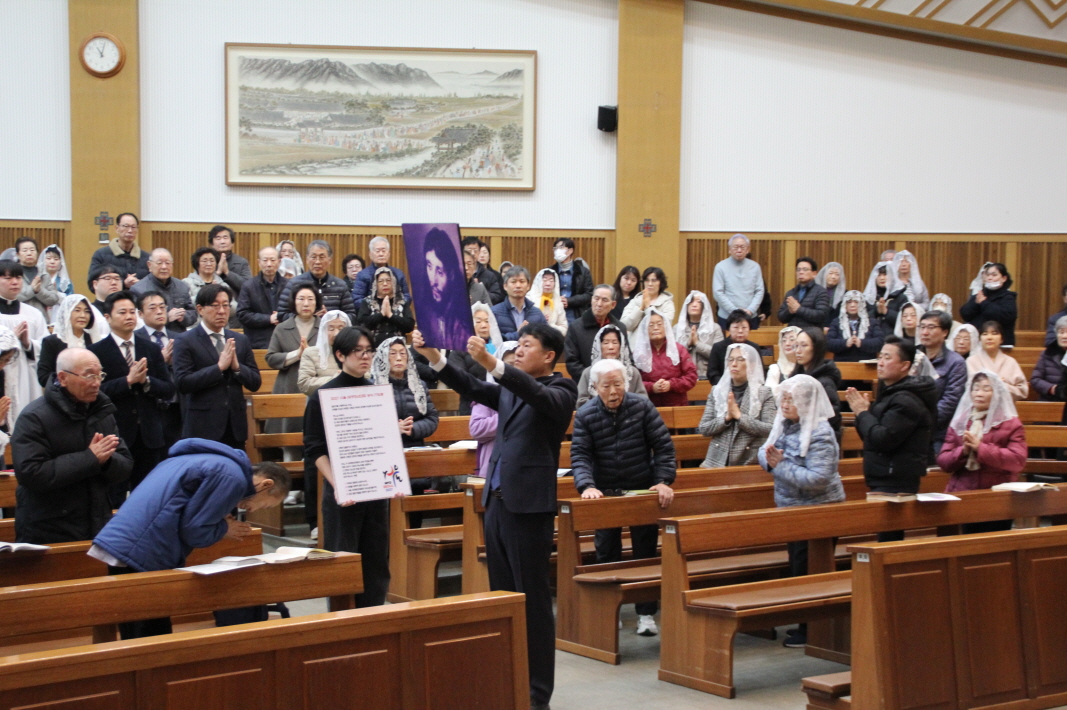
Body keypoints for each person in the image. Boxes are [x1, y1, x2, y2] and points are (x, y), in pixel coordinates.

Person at [413, 322, 577, 710]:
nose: (518, 350)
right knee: (503, 597)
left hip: (529, 508)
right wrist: (435, 357)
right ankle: (509, 680)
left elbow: (535, 393)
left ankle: (537, 694)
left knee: (532, 601)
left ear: (548, 356)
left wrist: (492, 362)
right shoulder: (511, 389)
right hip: (498, 502)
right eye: (517, 345)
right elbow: (473, 387)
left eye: (527, 345)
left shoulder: (561, 390)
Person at [90, 445, 290, 639]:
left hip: (125, 543)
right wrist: (224, 529)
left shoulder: (205, 461)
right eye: (264, 505)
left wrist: (217, 519)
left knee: (138, 629)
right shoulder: (231, 477)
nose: (253, 510)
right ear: (266, 484)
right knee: (149, 635)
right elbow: (194, 531)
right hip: (142, 550)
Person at [572, 358, 677, 637]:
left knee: (645, 552)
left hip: (641, 490)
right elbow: (580, 455)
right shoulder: (585, 414)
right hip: (605, 493)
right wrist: (587, 486)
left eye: (618, 384)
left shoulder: (642, 407)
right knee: (607, 552)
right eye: (606, 386)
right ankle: (610, 610)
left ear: (626, 383)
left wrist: (663, 481)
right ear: (595, 388)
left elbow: (664, 448)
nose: (613, 391)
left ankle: (646, 614)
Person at [303, 326, 391, 608]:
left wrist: (393, 479)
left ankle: (372, 620)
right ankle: (341, 625)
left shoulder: (376, 392)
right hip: (342, 491)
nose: (365, 356)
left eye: (369, 351)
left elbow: (383, 443)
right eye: (358, 351)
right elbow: (315, 449)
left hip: (375, 492)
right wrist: (338, 484)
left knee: (376, 566)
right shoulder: (322, 395)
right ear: (340, 355)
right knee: (341, 564)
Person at [12, 349, 133, 543]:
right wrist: (90, 458)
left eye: (100, 375)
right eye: (89, 376)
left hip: (97, 524)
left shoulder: (102, 412)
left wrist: (106, 461)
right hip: (49, 528)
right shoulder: (34, 417)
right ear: (63, 378)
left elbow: (125, 466)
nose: (96, 383)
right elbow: (31, 473)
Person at [759, 373, 844, 648]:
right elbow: (764, 451)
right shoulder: (786, 424)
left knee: (810, 570)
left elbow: (818, 478)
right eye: (783, 398)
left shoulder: (820, 433)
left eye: (791, 399)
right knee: (797, 567)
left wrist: (781, 465)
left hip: (818, 512)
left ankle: (812, 631)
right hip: (792, 510)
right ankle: (805, 624)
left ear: (806, 403)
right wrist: (772, 461)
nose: (784, 404)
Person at [845, 336, 938, 540]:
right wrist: (864, 414)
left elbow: (882, 439)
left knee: (889, 540)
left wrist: (863, 413)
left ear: (905, 365)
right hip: (884, 474)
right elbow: (870, 436)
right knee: (886, 537)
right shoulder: (890, 393)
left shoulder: (906, 400)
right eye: (880, 357)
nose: (880, 362)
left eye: (887, 358)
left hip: (895, 478)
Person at [90, 291, 176, 500]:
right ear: (107, 317)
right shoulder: (96, 351)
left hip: (149, 433)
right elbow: (95, 392)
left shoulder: (151, 348)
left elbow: (168, 388)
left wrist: (146, 381)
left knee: (147, 495)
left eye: (132, 312)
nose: (129, 316)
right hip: (115, 433)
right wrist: (127, 381)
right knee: (115, 494)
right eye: (122, 312)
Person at [172, 284, 261, 448]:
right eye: (215, 306)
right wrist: (218, 368)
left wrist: (237, 367)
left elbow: (255, 383)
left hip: (235, 426)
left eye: (225, 305)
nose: (221, 311)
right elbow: (183, 383)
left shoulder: (240, 340)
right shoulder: (185, 340)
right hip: (202, 427)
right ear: (200, 309)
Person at [938, 371, 1026, 519]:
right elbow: (943, 461)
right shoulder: (960, 422)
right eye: (976, 388)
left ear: (997, 393)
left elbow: (1018, 460)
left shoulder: (1011, 423)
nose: (979, 394)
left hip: (998, 496)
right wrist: (963, 452)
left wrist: (981, 448)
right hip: (962, 493)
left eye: (986, 389)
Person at [372, 336, 441, 498]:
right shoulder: (372, 386)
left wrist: (413, 428)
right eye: (392, 353)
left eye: (403, 353)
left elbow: (432, 418)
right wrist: (392, 429)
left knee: (416, 497)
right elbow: (367, 425)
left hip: (414, 449)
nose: (398, 358)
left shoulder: (419, 386)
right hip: (383, 453)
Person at [265, 284, 320, 460]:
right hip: (288, 386)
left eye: (310, 299)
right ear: (294, 302)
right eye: (301, 299)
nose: (306, 303)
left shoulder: (325, 327)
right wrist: (297, 354)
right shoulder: (282, 328)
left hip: (316, 387)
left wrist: (311, 355)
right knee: (290, 440)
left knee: (317, 440)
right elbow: (271, 358)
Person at [699, 343, 775, 467]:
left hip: (749, 461)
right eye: (731, 359)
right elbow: (704, 428)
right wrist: (726, 418)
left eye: (740, 359)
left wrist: (740, 417)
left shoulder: (764, 393)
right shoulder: (717, 391)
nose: (734, 364)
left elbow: (770, 429)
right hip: (717, 462)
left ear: (752, 364)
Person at [0, 259, 47, 420]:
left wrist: (28, 344)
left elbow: (45, 347)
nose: (15, 282)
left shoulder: (33, 314)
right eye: (8, 278)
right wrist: (8, 340)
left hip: (26, 375)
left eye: (18, 277)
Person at [135, 291, 183, 449]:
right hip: (149, 407)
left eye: (162, 307)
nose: (159, 311)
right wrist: (159, 361)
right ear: (140, 314)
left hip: (177, 406)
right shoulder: (135, 339)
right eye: (152, 308)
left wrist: (173, 363)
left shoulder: (180, 338)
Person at [917, 310, 968, 455]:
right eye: (922, 327)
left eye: (931, 327)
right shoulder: (912, 356)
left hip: (938, 433)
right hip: (910, 428)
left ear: (945, 332)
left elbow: (950, 401)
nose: (925, 332)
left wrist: (922, 421)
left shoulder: (956, 362)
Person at [468, 342, 519, 478]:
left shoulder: (531, 393)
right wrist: (511, 416)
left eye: (517, 364)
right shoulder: (487, 392)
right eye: (509, 365)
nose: (513, 370)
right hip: (495, 461)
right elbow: (476, 428)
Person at [415, 228, 470, 349]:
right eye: (429, 266)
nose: (433, 281)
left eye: (440, 272)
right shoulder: (425, 311)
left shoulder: (462, 326)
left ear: (451, 275)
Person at [38, 294, 109, 387]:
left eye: (87, 311)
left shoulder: (94, 340)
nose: (83, 315)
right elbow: (43, 376)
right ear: (66, 313)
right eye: (77, 310)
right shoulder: (51, 342)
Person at [631, 309, 697, 407]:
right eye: (651, 325)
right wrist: (652, 387)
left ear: (666, 327)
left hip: (677, 406)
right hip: (649, 407)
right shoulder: (638, 353)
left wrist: (671, 384)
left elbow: (691, 376)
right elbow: (633, 382)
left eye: (659, 324)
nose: (655, 328)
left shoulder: (679, 350)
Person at [448, 303, 504, 415]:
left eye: (487, 321)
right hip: (472, 406)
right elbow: (458, 381)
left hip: (500, 404)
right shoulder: (459, 350)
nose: (484, 325)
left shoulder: (502, 348)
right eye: (478, 322)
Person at [277, 240, 357, 320]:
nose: (317, 262)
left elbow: (351, 316)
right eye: (313, 257)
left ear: (330, 260)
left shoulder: (340, 285)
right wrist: (306, 317)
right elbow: (281, 314)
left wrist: (330, 318)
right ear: (307, 260)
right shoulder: (294, 284)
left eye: (322, 257)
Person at [575, 323, 647, 408]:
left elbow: (643, 400)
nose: (611, 347)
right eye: (606, 343)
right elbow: (580, 402)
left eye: (615, 342)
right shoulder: (588, 373)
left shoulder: (632, 372)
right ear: (599, 346)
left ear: (621, 346)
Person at [564, 284, 624, 381]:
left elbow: (626, 358)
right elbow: (572, 363)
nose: (599, 304)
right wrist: (595, 378)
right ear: (591, 300)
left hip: (615, 383)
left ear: (613, 305)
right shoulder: (575, 327)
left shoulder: (620, 328)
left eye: (604, 300)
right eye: (596, 299)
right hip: (585, 383)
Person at [791, 327, 843, 436]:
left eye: (804, 345)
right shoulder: (796, 377)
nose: (798, 351)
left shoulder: (825, 382)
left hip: (818, 439)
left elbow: (831, 416)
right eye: (796, 345)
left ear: (817, 348)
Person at [131, 248, 197, 333]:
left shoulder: (182, 286)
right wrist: (166, 317)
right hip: (151, 337)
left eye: (168, 263)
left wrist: (183, 316)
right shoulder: (138, 289)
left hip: (179, 336)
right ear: (149, 265)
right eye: (159, 263)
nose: (164, 267)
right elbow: (138, 321)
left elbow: (193, 314)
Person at [236, 246, 289, 349]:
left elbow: (295, 313)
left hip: (284, 340)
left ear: (279, 262)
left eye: (272, 260)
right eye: (265, 260)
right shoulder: (249, 286)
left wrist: (281, 317)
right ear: (259, 262)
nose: (269, 264)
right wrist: (269, 318)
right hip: (257, 342)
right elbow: (242, 314)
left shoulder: (289, 285)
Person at [713, 233, 764, 330]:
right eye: (736, 247)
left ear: (747, 249)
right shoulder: (720, 267)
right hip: (727, 317)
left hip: (750, 316)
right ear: (729, 249)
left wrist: (750, 310)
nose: (739, 250)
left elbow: (759, 291)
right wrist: (735, 312)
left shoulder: (755, 267)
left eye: (742, 247)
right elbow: (718, 292)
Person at [960, 262, 1018, 347]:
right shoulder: (979, 295)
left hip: (1001, 344)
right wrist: (975, 303)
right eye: (987, 275)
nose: (990, 278)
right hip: (977, 343)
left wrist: (984, 303)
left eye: (994, 275)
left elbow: (1006, 316)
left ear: (1004, 278)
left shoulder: (1008, 297)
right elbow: (965, 314)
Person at [967, 321, 1028, 400]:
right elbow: (968, 389)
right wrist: (993, 384)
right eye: (985, 334)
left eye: (994, 333)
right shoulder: (971, 361)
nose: (989, 337)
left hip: (1006, 406)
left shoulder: (1010, 362)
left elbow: (1023, 391)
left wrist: (1002, 385)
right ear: (980, 339)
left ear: (1001, 339)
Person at [356, 266, 415, 347]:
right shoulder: (367, 302)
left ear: (394, 282)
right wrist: (381, 314)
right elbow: (362, 324)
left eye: (388, 280)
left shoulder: (402, 301)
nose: (385, 284)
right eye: (380, 281)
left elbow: (409, 326)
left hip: (397, 349)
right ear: (375, 284)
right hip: (373, 347)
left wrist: (390, 315)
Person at [298, 310, 351, 397]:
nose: (336, 333)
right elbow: (304, 384)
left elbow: (367, 377)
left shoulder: (356, 353)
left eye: (341, 329)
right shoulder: (310, 353)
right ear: (323, 331)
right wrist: (335, 380)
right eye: (331, 329)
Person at [89, 212, 149, 287]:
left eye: (133, 227)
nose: (130, 230)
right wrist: (123, 284)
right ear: (117, 228)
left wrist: (139, 285)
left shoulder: (146, 257)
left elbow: (153, 283)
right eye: (126, 226)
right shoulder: (101, 255)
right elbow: (92, 283)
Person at [350, 236, 411, 308]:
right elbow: (357, 300)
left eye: (384, 251)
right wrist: (378, 308)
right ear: (370, 254)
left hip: (395, 312)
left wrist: (394, 307)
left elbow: (407, 297)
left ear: (389, 253)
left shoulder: (398, 274)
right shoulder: (363, 275)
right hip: (371, 313)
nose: (381, 254)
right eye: (377, 251)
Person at [675, 290, 723, 379]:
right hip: (682, 377)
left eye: (699, 302)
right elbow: (672, 354)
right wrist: (688, 344)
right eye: (691, 302)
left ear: (704, 306)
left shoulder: (715, 328)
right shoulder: (677, 328)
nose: (694, 304)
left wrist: (697, 344)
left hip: (707, 376)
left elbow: (719, 355)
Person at [707, 310, 763, 385]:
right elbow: (712, 373)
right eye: (736, 327)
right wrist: (727, 386)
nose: (740, 331)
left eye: (744, 327)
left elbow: (759, 371)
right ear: (729, 329)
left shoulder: (754, 348)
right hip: (723, 387)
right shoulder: (718, 347)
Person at [492, 266, 547, 342]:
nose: (518, 286)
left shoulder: (537, 313)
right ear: (505, 286)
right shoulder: (494, 312)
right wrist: (518, 334)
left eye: (522, 281)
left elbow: (546, 338)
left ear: (528, 286)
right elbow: (492, 341)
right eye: (513, 282)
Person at [827, 290, 884, 362]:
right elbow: (828, 343)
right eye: (849, 302)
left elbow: (880, 342)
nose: (852, 305)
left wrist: (862, 343)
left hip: (867, 363)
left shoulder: (872, 322)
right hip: (843, 363)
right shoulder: (836, 322)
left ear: (862, 304)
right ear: (844, 305)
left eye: (856, 302)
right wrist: (845, 343)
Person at [547, 238, 593, 322]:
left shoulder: (583, 272)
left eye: (561, 248)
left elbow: (589, 294)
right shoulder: (549, 271)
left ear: (570, 251)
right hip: (553, 312)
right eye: (555, 248)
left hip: (576, 313)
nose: (557, 251)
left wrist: (570, 301)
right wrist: (556, 299)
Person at [777, 257, 830, 330]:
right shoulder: (791, 293)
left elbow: (821, 315)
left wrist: (799, 309)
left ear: (814, 273)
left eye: (805, 269)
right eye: (798, 270)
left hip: (812, 333)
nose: (801, 272)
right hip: (793, 333)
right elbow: (781, 317)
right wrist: (789, 311)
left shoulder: (821, 291)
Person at [14, 237, 61, 317]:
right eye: (25, 250)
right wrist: (32, 289)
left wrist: (39, 291)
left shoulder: (44, 274)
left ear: (37, 253)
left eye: (32, 250)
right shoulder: (13, 274)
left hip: (41, 319)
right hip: (18, 318)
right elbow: (13, 296)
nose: (29, 253)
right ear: (17, 255)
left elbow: (54, 300)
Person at [621, 266, 675, 332]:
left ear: (661, 283)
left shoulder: (667, 303)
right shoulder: (635, 301)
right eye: (647, 280)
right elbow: (625, 325)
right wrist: (641, 308)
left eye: (654, 280)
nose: (650, 284)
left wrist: (647, 308)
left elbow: (665, 326)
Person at [883, 250, 929, 326]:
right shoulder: (890, 283)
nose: (903, 264)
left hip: (916, 318)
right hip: (894, 318)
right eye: (901, 262)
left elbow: (926, 303)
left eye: (907, 261)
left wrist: (913, 307)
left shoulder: (919, 283)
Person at [208, 225, 252, 297]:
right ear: (212, 244)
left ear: (232, 243)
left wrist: (227, 272)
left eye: (225, 238)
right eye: (218, 238)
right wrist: (218, 272)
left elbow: (248, 287)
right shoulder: (206, 261)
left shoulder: (241, 262)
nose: (222, 242)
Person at [1032, 316, 1067, 402]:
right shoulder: (1047, 354)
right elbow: (1035, 380)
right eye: (1061, 332)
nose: (1064, 336)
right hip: (1049, 400)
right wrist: (1052, 388)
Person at [461, 237, 504, 305]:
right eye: (469, 250)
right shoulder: (451, 281)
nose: (472, 253)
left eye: (475, 250)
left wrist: (479, 293)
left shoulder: (489, 277)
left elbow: (497, 297)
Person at [529, 268, 568, 335]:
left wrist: (549, 326)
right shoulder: (530, 298)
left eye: (551, 280)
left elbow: (564, 328)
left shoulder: (558, 301)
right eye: (544, 280)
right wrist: (539, 320)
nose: (548, 284)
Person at [814, 262, 846, 326]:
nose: (833, 277)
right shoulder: (814, 291)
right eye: (830, 273)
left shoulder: (845, 294)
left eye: (837, 274)